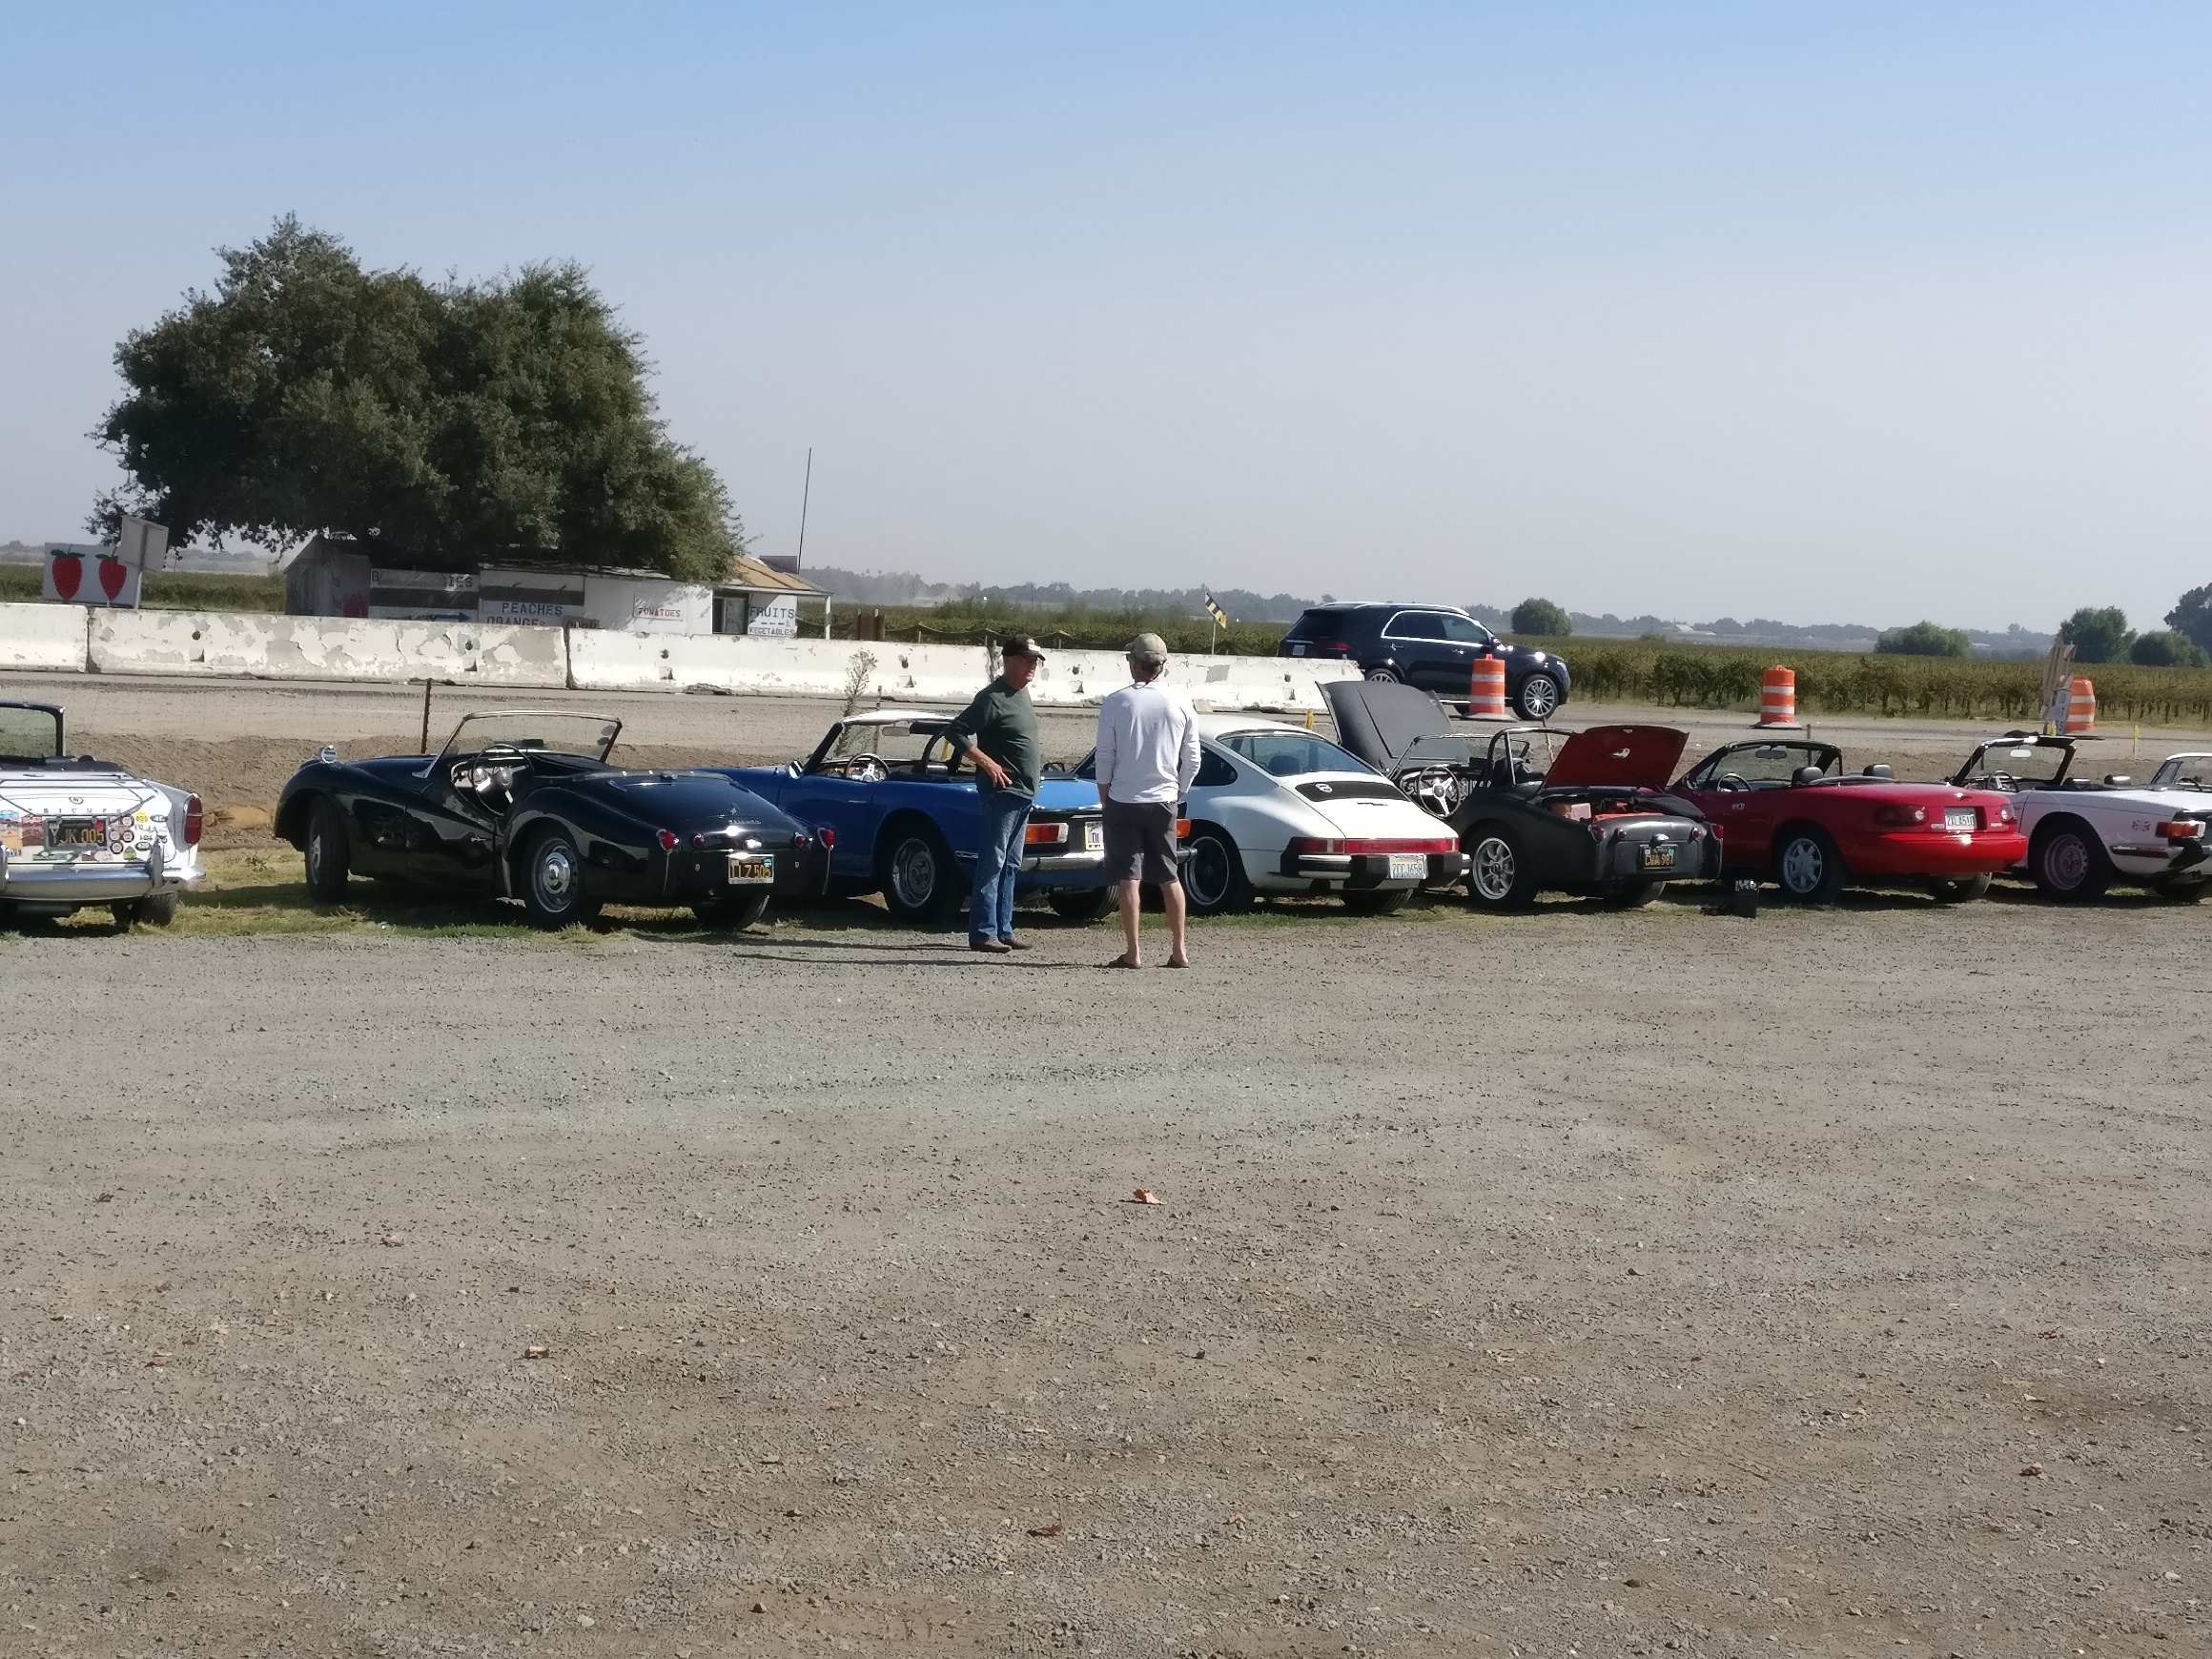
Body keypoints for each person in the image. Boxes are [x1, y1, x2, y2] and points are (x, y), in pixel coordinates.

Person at [1094, 632, 1200, 968]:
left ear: (1135, 663)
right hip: (1164, 798)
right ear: (1161, 666)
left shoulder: (1117, 702)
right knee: (1170, 875)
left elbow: (1105, 756)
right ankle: (1179, 950)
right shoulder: (1181, 701)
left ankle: (1134, 951)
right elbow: (1193, 758)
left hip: (1124, 798)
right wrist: (1179, 791)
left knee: (1129, 876)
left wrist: (1104, 795)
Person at [942, 633, 1047, 954]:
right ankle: (983, 932)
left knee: (1011, 864)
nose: (1032, 666)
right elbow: (956, 731)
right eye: (1027, 660)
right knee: (993, 862)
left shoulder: (1021, 693)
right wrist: (987, 763)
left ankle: (1004, 929)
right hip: (1002, 793)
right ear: (1009, 660)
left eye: (1035, 661)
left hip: (1024, 793)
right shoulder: (991, 698)